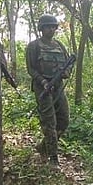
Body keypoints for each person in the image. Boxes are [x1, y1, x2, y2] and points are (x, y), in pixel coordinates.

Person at [25, 14, 71, 166]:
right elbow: (31, 69)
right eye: (48, 27)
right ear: (42, 28)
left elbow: (68, 63)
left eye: (53, 27)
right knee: (49, 122)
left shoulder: (59, 45)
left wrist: (66, 72)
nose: (51, 29)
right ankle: (53, 158)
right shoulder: (34, 46)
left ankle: (44, 147)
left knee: (64, 120)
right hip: (43, 88)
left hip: (58, 86)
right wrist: (43, 82)